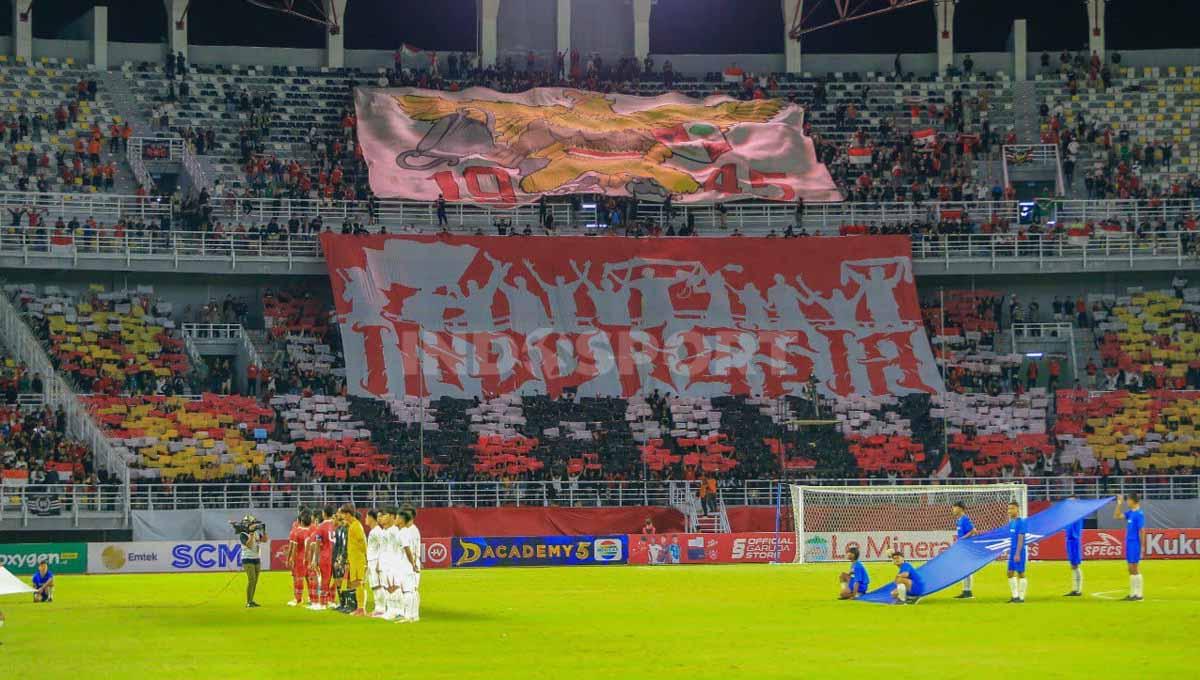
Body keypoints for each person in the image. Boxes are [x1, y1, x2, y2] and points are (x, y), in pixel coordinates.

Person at [1114, 494, 1145, 601]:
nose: (1127, 502)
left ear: (1133, 501)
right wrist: (1119, 503)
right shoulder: (1130, 513)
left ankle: (1139, 594)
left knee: (1134, 568)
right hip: (1129, 543)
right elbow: (1117, 516)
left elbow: (1142, 531)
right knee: (1130, 569)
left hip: (1135, 543)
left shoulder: (1139, 514)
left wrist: (1142, 547)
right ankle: (1132, 594)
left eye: (1128, 500)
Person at [339, 504, 368, 616]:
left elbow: (363, 542)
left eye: (343, 514)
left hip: (358, 559)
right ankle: (359, 608)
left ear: (348, 514)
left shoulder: (356, 526)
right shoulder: (352, 526)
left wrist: (365, 556)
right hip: (354, 559)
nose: (342, 516)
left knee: (359, 583)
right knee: (356, 583)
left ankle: (361, 608)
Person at [286, 509, 315, 606]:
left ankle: (298, 599)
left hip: (300, 559)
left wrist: (290, 559)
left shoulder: (297, 531)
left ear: (301, 521)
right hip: (310, 558)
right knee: (310, 578)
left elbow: (294, 548)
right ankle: (312, 598)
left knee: (299, 579)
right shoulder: (313, 530)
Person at [236, 514, 266, 608]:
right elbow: (248, 545)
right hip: (247, 559)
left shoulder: (256, 532)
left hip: (256, 558)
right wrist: (251, 533)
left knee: (255, 581)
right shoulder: (243, 534)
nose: (255, 525)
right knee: (251, 579)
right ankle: (248, 601)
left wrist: (264, 531)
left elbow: (264, 540)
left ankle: (251, 600)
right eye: (253, 523)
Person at [951, 501, 977, 598]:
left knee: (967, 569)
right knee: (964, 569)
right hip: (963, 547)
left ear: (961, 509)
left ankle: (968, 592)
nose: (953, 509)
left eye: (954, 507)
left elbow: (973, 531)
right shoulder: (959, 520)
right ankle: (966, 591)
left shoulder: (965, 519)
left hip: (968, 547)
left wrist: (962, 539)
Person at [401, 504, 422, 622]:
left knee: (409, 590)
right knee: (412, 589)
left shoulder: (410, 531)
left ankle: (409, 615)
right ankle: (414, 615)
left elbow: (409, 549)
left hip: (410, 562)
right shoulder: (412, 530)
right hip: (412, 562)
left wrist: (413, 563)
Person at [365, 509, 386, 617]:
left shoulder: (377, 531)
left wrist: (379, 563)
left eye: (366, 517)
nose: (365, 519)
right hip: (371, 561)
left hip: (375, 561)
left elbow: (383, 547)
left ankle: (381, 608)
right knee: (374, 585)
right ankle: (378, 607)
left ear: (371, 518)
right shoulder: (374, 531)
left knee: (377, 585)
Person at [1006, 502, 1028, 603]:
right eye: (1009, 509)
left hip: (1019, 551)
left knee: (1020, 573)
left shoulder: (1021, 522)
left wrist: (1018, 553)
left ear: (1017, 509)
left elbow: (1021, 538)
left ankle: (1021, 597)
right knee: (1010, 573)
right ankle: (1015, 596)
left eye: (1012, 508)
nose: (1010, 511)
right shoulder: (1011, 522)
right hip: (1012, 550)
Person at [1064, 495, 1084, 597]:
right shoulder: (1069, 514)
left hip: (1074, 541)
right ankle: (1074, 589)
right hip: (1069, 540)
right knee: (1072, 565)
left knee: (1075, 565)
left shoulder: (1077, 514)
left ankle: (1079, 590)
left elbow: (1075, 530)